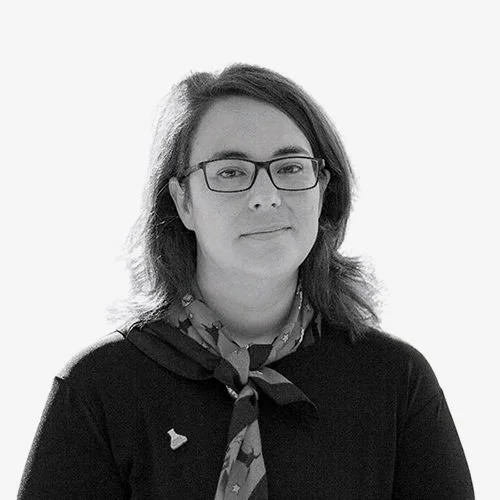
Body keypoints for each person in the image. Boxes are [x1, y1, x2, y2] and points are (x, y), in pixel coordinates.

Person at [18, 63, 475, 499]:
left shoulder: (395, 381)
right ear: (183, 201)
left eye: (290, 167)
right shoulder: (100, 388)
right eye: (231, 172)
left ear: (322, 189)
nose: (265, 195)